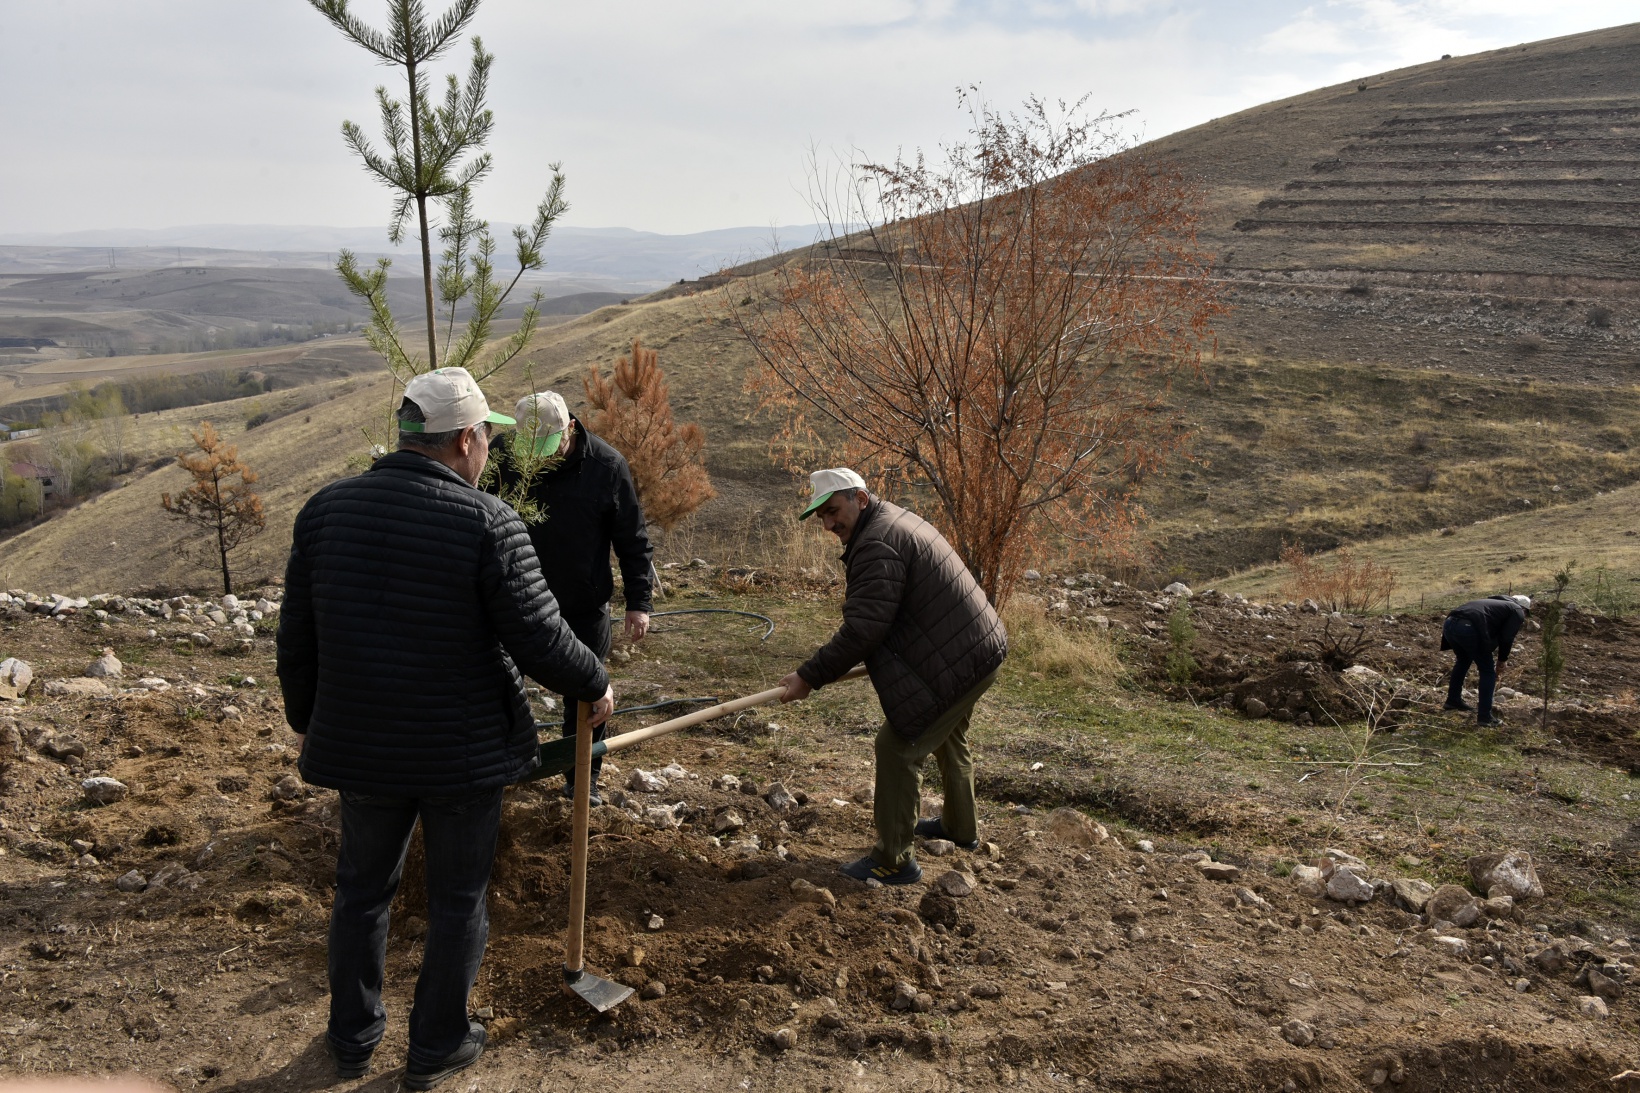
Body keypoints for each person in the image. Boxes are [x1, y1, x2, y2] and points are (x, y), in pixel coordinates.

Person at [277, 367, 614, 1089]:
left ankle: (351, 1037)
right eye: (487, 439)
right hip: (461, 753)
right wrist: (596, 682)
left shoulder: (323, 511)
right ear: (465, 439)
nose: (489, 453)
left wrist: (305, 720)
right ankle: (437, 1043)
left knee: (361, 891)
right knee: (459, 898)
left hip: (362, 747)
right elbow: (540, 637)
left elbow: (297, 638)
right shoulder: (486, 521)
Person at [777, 468, 1007, 885]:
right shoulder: (892, 522)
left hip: (960, 656)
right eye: (821, 517)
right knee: (949, 734)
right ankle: (960, 828)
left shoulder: (876, 543)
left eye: (833, 511)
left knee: (899, 746)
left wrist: (808, 676)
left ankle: (893, 860)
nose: (829, 525)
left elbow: (863, 630)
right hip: (976, 646)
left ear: (860, 499)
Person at [488, 389, 652, 805]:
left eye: (547, 447)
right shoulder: (502, 456)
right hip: (512, 600)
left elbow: (631, 539)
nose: (539, 458)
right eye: (531, 449)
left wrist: (639, 602)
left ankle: (582, 780)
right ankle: (495, 767)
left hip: (582, 601)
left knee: (586, 695)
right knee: (494, 683)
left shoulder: (607, 467)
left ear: (571, 428)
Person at [1442, 594, 1530, 727]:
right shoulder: (1516, 610)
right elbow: (1506, 637)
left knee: (1463, 661)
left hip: (1449, 624)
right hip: (1467, 628)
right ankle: (1484, 717)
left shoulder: (1494, 603)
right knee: (1487, 670)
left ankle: (1453, 700)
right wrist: (1502, 660)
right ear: (1524, 608)